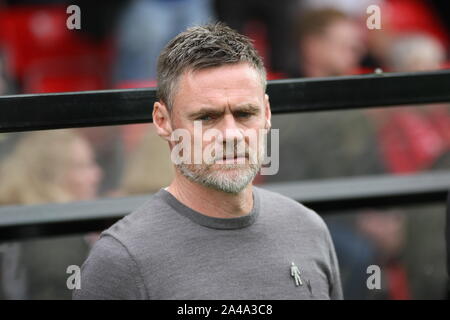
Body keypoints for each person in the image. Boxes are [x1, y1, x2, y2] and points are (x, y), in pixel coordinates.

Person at [73, 23, 342, 300]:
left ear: (267, 113)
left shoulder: (308, 229)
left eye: (245, 113)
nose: (231, 134)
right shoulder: (121, 259)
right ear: (163, 121)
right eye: (206, 117)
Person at [0, 129, 103, 299]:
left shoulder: (26, 228)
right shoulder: (58, 242)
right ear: (52, 177)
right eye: (83, 166)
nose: (96, 174)